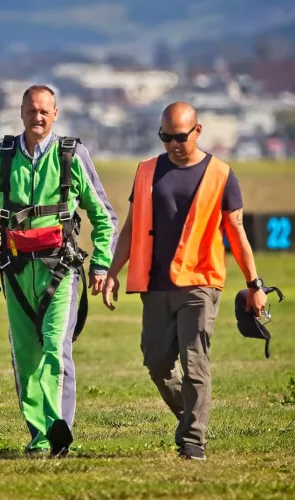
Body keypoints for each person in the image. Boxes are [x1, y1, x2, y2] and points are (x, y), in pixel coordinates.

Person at [102, 102, 267, 461]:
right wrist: (112, 272)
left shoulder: (221, 174)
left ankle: (193, 439)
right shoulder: (146, 171)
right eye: (166, 137)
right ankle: (192, 416)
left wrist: (255, 284)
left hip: (200, 283)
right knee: (157, 362)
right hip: (156, 284)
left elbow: (236, 233)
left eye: (180, 136)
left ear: (198, 131)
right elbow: (131, 226)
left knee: (195, 363)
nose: (174, 144)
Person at [0, 85, 118, 457]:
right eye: (32, 111)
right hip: (15, 273)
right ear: (21, 113)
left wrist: (101, 263)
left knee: (55, 349)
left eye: (45, 111)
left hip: (60, 272)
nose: (38, 117)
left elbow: (103, 216)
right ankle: (40, 437)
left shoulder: (72, 155)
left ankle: (59, 430)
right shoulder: (2, 156)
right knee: (26, 356)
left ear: (56, 113)